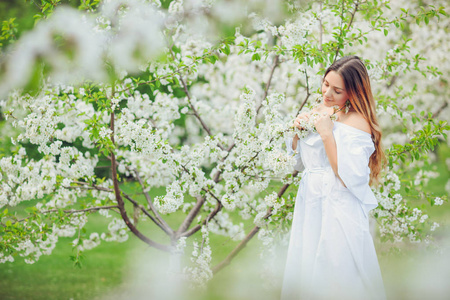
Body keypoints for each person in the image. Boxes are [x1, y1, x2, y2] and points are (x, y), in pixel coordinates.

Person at [280, 56, 386, 300]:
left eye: (337, 90)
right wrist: (296, 136)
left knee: (336, 271)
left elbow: (350, 176)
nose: (327, 93)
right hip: (310, 202)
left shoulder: (358, 122)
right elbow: (298, 164)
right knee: (307, 267)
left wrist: (327, 135)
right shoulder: (320, 111)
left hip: (338, 203)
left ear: (353, 92)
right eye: (325, 84)